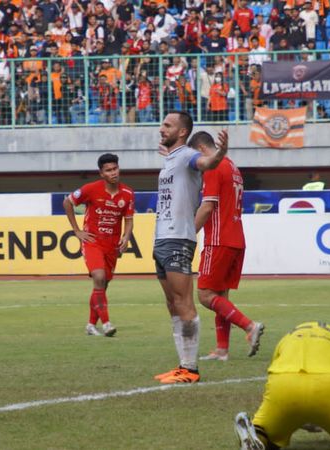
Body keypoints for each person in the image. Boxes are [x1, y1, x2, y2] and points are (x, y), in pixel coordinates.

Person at [151, 112, 228, 385]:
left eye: (167, 125)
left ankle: (191, 369)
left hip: (178, 238)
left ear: (182, 132)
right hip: (161, 238)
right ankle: (182, 365)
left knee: (184, 302)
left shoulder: (187, 156)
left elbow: (206, 161)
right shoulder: (172, 158)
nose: (162, 128)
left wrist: (220, 154)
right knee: (172, 303)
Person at [233, 321, 330, 450]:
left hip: (283, 384)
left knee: (267, 436)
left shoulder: (286, 338)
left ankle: (254, 434)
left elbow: (272, 379)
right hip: (329, 384)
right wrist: (323, 416)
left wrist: (299, 416)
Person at [189, 131, 263, 362]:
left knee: (204, 295)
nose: (196, 165)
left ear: (201, 150)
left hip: (218, 239)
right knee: (221, 295)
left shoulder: (213, 167)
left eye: (195, 158)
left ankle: (249, 326)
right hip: (236, 239)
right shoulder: (233, 167)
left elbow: (207, 207)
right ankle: (222, 349)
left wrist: (188, 234)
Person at [62, 153, 135, 337]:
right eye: (109, 170)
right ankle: (107, 323)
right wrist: (77, 231)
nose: (113, 173)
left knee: (103, 284)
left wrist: (126, 238)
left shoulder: (127, 193)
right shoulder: (90, 189)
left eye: (115, 168)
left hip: (111, 245)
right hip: (93, 241)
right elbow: (67, 202)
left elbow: (128, 219)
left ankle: (90, 325)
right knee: (99, 276)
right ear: (101, 173)